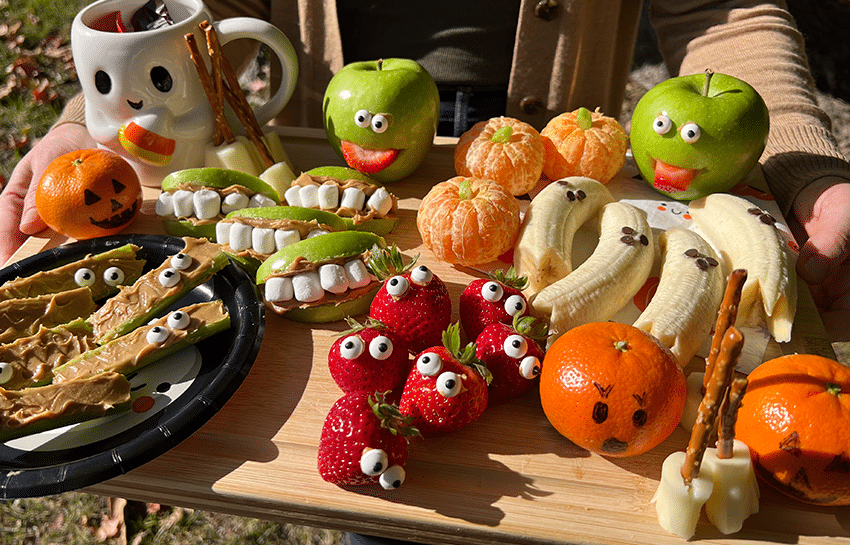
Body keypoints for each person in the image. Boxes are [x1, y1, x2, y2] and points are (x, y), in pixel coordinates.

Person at [2, 1, 848, 310]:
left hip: (547, 164)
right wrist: (103, 114)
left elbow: (723, 8)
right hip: (324, 163)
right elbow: (191, 4)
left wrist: (806, 169)